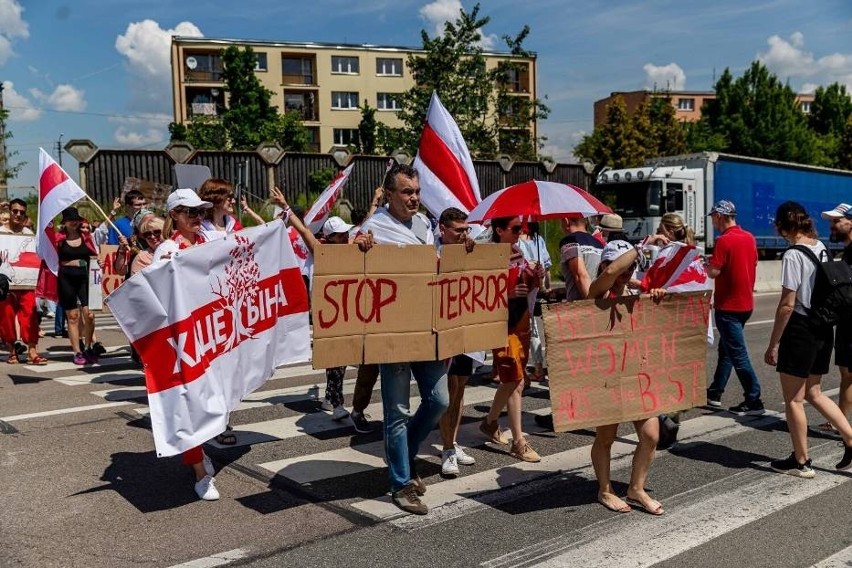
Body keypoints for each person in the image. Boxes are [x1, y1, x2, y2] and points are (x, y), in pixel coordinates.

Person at [356, 163, 449, 515]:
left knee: (438, 400)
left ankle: (404, 456)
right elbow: (354, 266)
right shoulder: (374, 227)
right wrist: (358, 248)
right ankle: (400, 483)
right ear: (389, 194)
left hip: (426, 326)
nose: (414, 198)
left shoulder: (425, 224)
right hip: (391, 330)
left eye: (417, 191)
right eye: (407, 192)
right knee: (396, 410)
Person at [764, 201, 852, 477]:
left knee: (794, 399)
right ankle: (851, 438)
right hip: (824, 326)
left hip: (801, 328)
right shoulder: (820, 247)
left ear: (782, 226)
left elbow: (788, 304)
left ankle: (801, 462)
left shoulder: (792, 254)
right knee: (814, 391)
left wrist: (773, 343)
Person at [587, 240, 663, 515]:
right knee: (606, 438)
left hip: (635, 374)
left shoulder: (636, 292)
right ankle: (605, 490)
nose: (628, 272)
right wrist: (641, 247)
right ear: (606, 265)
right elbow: (607, 277)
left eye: (632, 267)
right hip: (606, 376)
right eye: (623, 266)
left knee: (651, 435)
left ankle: (636, 488)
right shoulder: (595, 293)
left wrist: (655, 296)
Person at [153, 188, 219, 500]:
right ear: (174, 216)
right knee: (187, 406)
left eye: (200, 212)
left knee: (210, 401)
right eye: (189, 212)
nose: (197, 217)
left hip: (210, 333)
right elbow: (157, 296)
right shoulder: (166, 248)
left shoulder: (208, 241)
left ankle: (200, 451)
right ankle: (199, 471)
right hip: (181, 340)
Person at [481, 216, 543, 463]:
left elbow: (528, 285)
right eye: (515, 228)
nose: (520, 232)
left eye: (522, 228)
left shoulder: (517, 252)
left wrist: (536, 275)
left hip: (520, 321)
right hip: (501, 324)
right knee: (515, 378)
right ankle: (519, 442)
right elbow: (481, 294)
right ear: (499, 230)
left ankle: (490, 422)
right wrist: (506, 294)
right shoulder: (488, 257)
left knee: (514, 380)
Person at [535, 215, 603, 430]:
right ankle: (579, 411)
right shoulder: (599, 242)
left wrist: (589, 307)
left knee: (566, 367)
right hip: (598, 305)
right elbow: (595, 276)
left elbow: (581, 276)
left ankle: (564, 415)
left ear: (565, 219)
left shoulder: (569, 241)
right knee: (588, 367)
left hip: (581, 311)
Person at [704, 200, 764, 414]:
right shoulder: (749, 237)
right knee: (727, 350)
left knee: (737, 355)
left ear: (720, 216)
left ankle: (754, 398)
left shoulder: (724, 241)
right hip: (745, 304)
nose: (712, 220)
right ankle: (715, 392)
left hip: (728, 305)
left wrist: (706, 265)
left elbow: (714, 272)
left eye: (713, 217)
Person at [436, 207, 479, 477]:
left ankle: (452, 441)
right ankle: (447, 448)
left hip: (466, 327)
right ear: (443, 229)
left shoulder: (469, 250)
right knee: (448, 390)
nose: (464, 234)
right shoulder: (432, 250)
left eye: (467, 229)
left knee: (461, 389)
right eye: (458, 230)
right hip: (443, 329)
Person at [811, 203, 852, 437]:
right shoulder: (847, 251)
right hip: (848, 322)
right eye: (830, 221)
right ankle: (840, 421)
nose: (832, 225)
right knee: (848, 372)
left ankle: (840, 424)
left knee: (848, 372)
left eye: (837, 221)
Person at [48, 208, 98, 365]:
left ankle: (89, 346)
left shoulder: (86, 236)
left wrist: (99, 262)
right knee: (73, 316)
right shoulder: (59, 238)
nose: (74, 221)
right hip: (66, 278)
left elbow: (95, 254)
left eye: (76, 219)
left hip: (85, 279)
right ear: (64, 222)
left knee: (89, 315)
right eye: (70, 219)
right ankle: (77, 352)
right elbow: (48, 255)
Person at [0, 199, 47, 365]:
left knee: (30, 316)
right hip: (5, 285)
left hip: (27, 284)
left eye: (22, 212)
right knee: (6, 317)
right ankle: (11, 351)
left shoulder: (29, 234)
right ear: (10, 212)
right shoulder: (0, 233)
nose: (18, 214)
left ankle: (32, 352)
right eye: (15, 211)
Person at [518, 221, 552, 385]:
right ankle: (537, 368)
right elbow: (546, 265)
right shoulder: (538, 239)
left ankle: (523, 370)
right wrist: (547, 286)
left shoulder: (517, 240)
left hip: (521, 286)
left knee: (522, 326)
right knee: (531, 326)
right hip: (534, 286)